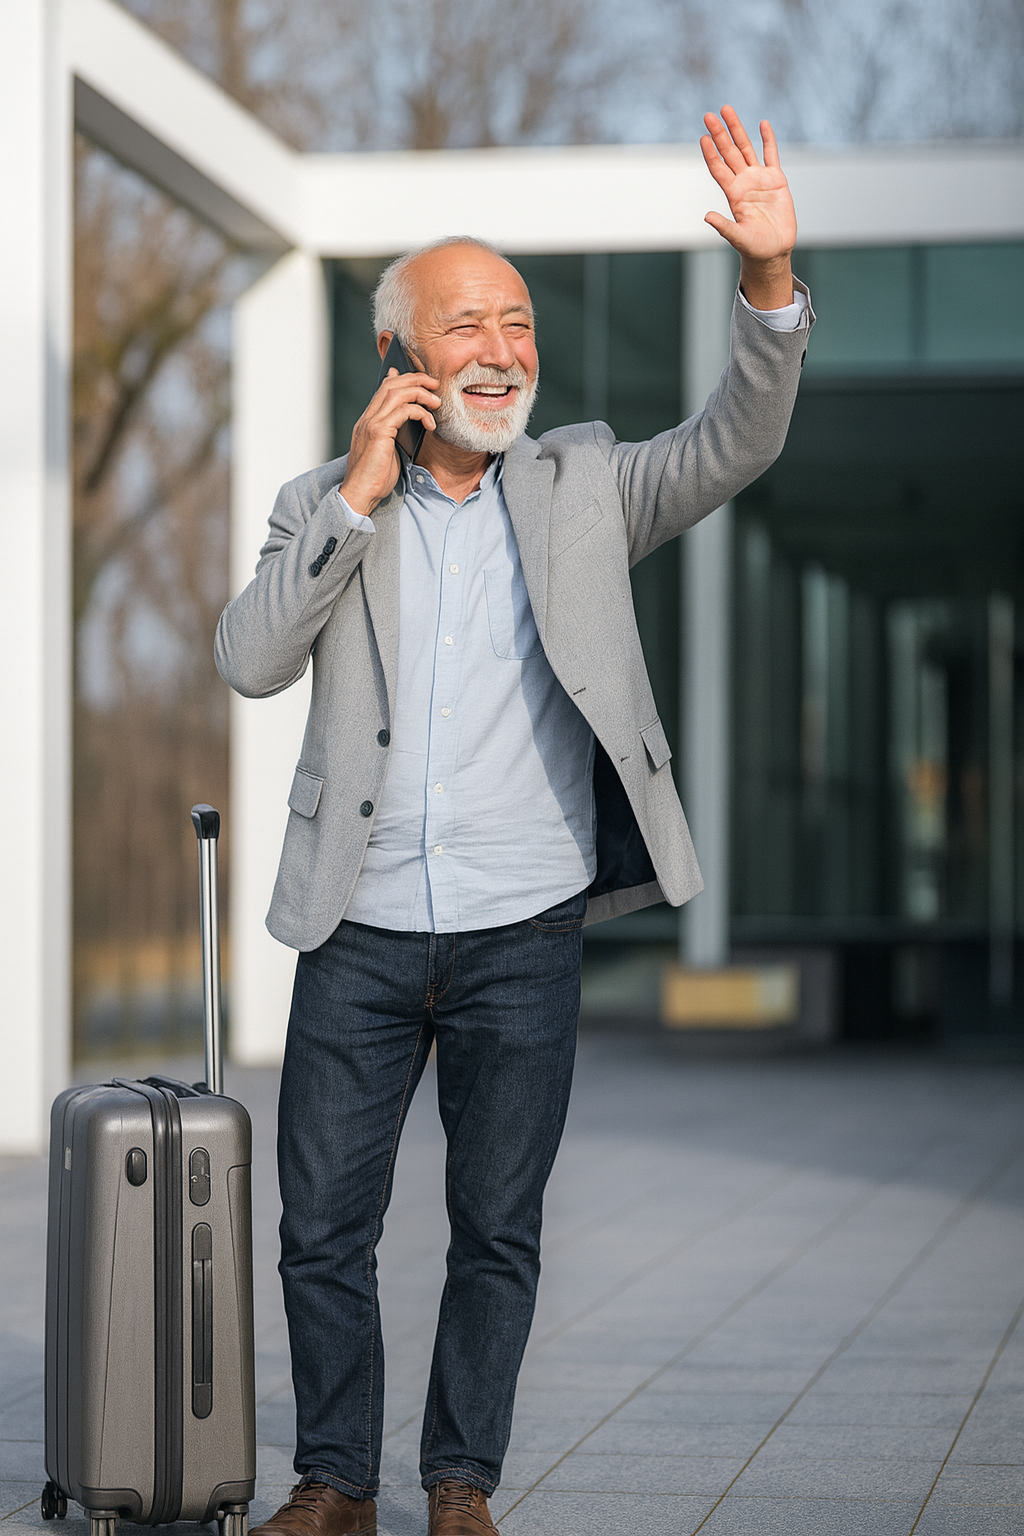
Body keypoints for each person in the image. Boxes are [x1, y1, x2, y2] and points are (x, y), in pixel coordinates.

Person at [216, 106, 812, 1536]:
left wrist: (769, 282)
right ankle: (335, 1483)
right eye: (469, 324)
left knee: (497, 1231)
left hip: (523, 928)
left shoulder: (582, 484)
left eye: (520, 323)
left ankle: (460, 1485)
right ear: (400, 355)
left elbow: (734, 443)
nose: (502, 349)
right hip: (358, 922)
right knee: (321, 1231)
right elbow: (249, 658)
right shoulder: (320, 503)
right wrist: (356, 500)